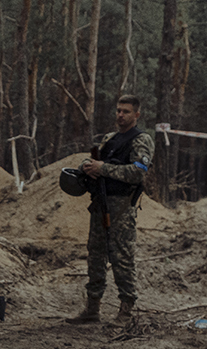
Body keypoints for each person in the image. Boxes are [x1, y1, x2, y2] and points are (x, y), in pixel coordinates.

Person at [68, 94, 154, 326]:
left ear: (137, 114)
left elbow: (138, 172)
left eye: (126, 111)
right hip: (100, 204)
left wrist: (103, 169)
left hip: (121, 207)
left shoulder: (141, 140)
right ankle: (92, 308)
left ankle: (126, 310)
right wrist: (87, 167)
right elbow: (97, 163)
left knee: (121, 258)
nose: (120, 115)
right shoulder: (110, 139)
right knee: (95, 256)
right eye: (118, 110)